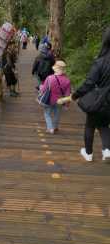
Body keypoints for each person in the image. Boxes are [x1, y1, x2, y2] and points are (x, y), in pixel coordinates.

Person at [72, 27, 110, 162]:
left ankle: (88, 153)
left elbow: (89, 83)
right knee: (104, 125)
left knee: (90, 125)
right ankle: (107, 150)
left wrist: (75, 95)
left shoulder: (100, 62)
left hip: (99, 99)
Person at [40, 60, 71, 134]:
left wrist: (40, 87)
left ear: (55, 69)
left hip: (49, 99)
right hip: (60, 100)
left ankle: (50, 128)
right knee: (57, 114)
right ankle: (55, 127)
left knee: (47, 113)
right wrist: (67, 104)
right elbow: (67, 94)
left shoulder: (49, 78)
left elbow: (44, 89)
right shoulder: (67, 80)